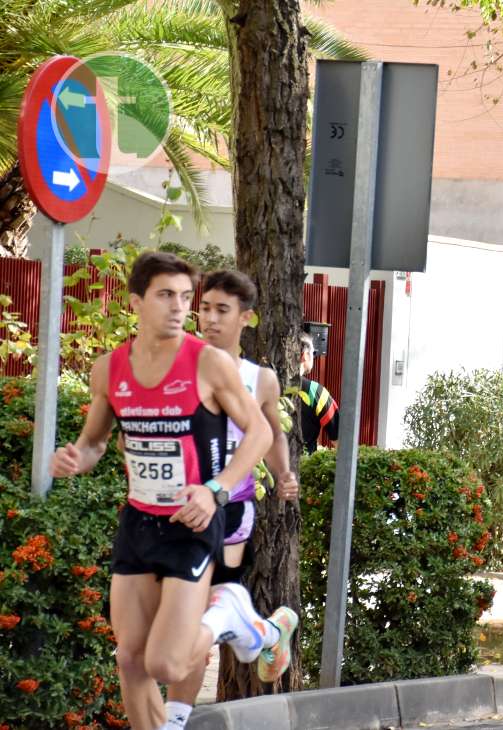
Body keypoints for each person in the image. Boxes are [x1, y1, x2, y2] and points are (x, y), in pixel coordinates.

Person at [49, 252, 295, 730]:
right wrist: (75, 459)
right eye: (167, 296)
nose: (181, 307)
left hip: (195, 524)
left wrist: (215, 491)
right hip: (138, 524)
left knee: (165, 663)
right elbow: (95, 443)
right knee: (130, 659)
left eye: (186, 297)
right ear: (137, 301)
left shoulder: (208, 364)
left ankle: (230, 615)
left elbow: (262, 433)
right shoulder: (110, 369)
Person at [161, 270, 301, 728]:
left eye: (222, 310)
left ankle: (176, 718)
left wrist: (283, 474)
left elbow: (272, 433)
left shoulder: (259, 378)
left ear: (247, 318)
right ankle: (262, 631)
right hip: (176, 507)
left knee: (199, 612)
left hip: (230, 508)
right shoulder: (179, 362)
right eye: (205, 308)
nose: (210, 318)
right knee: (198, 612)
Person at [298, 332, 340, 453]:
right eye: (313, 353)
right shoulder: (315, 391)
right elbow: (339, 439)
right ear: (305, 355)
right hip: (303, 467)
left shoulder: (263, 385)